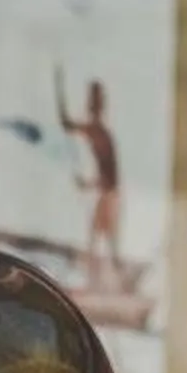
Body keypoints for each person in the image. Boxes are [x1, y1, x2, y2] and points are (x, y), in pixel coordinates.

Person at [55, 69, 122, 289]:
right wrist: (59, 90)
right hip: (108, 192)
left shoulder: (99, 131)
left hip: (109, 193)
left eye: (93, 100)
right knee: (100, 240)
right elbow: (67, 125)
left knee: (102, 241)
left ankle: (103, 286)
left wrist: (86, 184)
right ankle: (99, 283)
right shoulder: (95, 129)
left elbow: (108, 176)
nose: (90, 105)